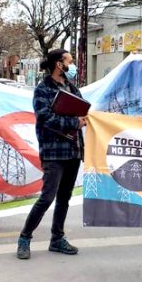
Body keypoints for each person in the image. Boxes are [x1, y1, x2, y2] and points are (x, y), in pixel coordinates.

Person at [16, 49, 85, 260]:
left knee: (64, 198)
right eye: (69, 62)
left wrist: (82, 119)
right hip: (54, 152)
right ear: (58, 64)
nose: (72, 66)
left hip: (73, 151)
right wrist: (74, 122)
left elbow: (83, 111)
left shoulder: (72, 88)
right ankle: (25, 238)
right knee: (47, 197)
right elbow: (45, 118)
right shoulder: (43, 90)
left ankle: (57, 239)